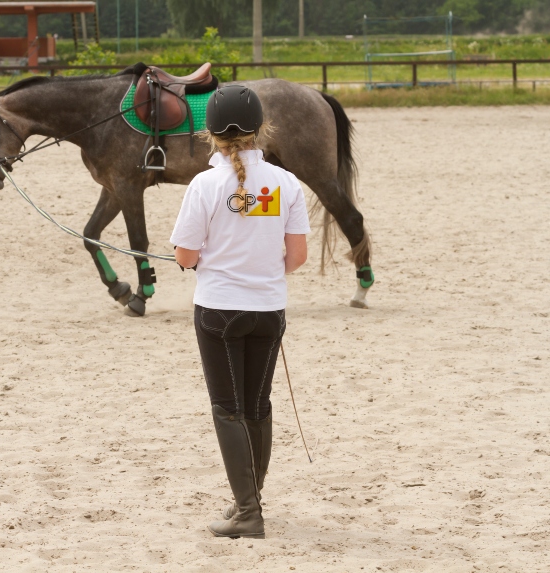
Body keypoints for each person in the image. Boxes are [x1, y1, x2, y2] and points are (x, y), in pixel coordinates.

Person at [170, 85, 310, 539]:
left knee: (227, 409)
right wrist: (261, 268)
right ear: (259, 130)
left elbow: (187, 255)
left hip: (219, 310)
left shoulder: (205, 185)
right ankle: (247, 500)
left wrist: (201, 259)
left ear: (211, 134)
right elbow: (297, 257)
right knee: (257, 405)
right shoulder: (286, 183)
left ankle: (248, 512)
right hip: (268, 309)